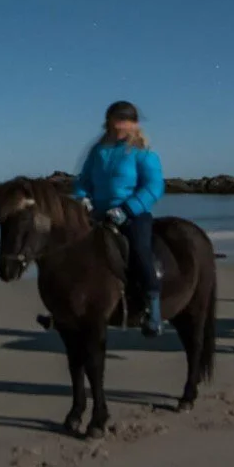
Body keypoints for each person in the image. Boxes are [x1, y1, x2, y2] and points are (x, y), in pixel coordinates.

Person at [71, 101, 166, 336]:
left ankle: (153, 309)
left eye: (126, 121)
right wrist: (82, 198)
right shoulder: (98, 151)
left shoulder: (143, 152)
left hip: (132, 214)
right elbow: (83, 180)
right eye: (117, 120)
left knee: (139, 251)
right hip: (97, 213)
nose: (120, 126)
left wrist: (127, 209)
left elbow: (154, 186)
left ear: (134, 125)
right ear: (109, 122)